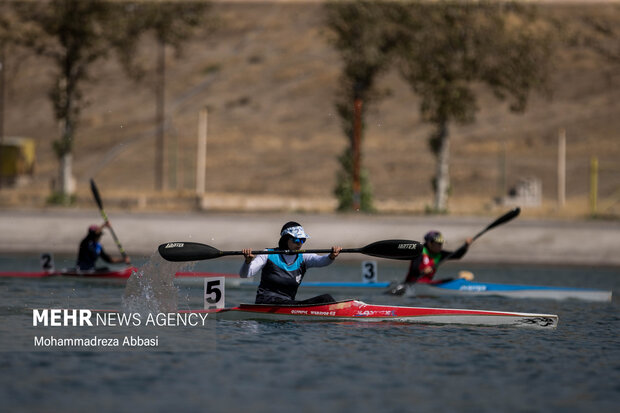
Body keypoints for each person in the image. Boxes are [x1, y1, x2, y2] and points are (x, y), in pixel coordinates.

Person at [240, 221, 342, 304]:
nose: (300, 244)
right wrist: (247, 262)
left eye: (303, 240)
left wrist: (331, 256)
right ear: (285, 239)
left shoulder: (303, 257)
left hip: (287, 303)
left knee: (326, 299)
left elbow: (321, 261)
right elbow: (245, 274)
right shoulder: (268, 254)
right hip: (266, 302)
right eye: (296, 240)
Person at [402, 230, 473, 285]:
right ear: (430, 243)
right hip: (413, 283)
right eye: (438, 243)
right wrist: (423, 271)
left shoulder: (440, 254)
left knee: (450, 280)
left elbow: (457, 255)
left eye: (441, 243)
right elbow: (414, 270)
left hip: (428, 284)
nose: (441, 246)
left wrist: (466, 245)